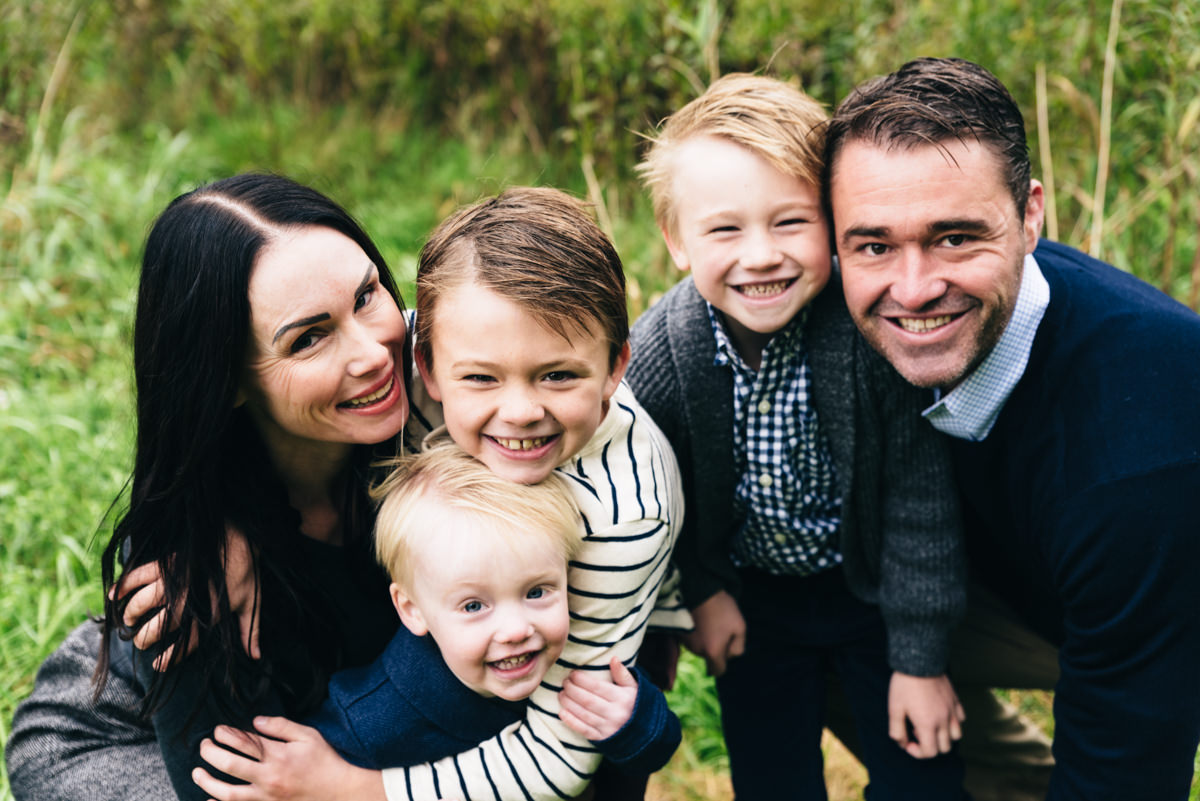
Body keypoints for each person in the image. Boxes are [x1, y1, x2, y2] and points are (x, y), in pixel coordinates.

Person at [190, 186, 690, 801]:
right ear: (426, 363)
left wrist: (350, 788)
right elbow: (258, 395)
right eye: (480, 379)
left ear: (615, 366)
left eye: (558, 375)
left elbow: (558, 757)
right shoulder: (398, 358)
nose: (520, 412)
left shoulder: (624, 513)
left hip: (585, 637)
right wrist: (223, 522)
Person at [823, 57, 1200, 801]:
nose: (913, 288)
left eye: (955, 238)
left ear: (1031, 215)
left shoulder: (1135, 447)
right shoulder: (825, 314)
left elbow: (1127, 762)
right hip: (1023, 582)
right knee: (809, 605)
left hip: (1160, 596)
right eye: (873, 245)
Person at [6, 173, 412, 801]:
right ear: (225, 380)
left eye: (366, 295)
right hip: (108, 736)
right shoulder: (195, 583)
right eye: (309, 338)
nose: (373, 353)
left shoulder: (459, 382)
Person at [625, 73, 969, 800]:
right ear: (676, 239)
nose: (762, 256)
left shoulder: (869, 334)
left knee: (924, 776)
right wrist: (705, 591)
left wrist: (920, 658)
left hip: (874, 595)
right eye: (725, 229)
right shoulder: (664, 350)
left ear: (835, 222)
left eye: (791, 222)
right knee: (772, 778)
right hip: (755, 604)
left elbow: (918, 498)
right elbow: (658, 495)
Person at [298, 438, 679, 774]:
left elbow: (638, 760)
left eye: (536, 592)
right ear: (412, 609)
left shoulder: (573, 661)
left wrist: (636, 724)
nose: (516, 630)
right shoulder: (374, 720)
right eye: (474, 606)